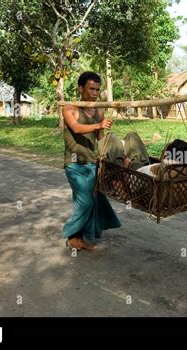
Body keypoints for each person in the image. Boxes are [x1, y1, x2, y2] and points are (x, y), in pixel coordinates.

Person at [62, 71, 121, 251]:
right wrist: (98, 125)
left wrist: (109, 156)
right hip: (74, 165)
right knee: (85, 202)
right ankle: (71, 235)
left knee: (94, 200)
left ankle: (81, 238)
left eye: (97, 89)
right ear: (81, 88)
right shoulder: (70, 107)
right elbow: (76, 128)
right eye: (91, 89)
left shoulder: (99, 111)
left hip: (91, 164)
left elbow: (101, 139)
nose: (95, 93)